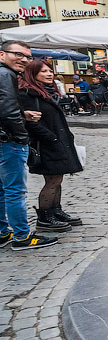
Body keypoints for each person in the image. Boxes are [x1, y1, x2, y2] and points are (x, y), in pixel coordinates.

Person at [0, 40, 58, 250]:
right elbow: (7, 110)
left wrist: (22, 114)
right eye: (18, 54)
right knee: (14, 190)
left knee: (3, 190)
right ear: (2, 54)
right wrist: (21, 136)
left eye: (27, 56)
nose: (23, 59)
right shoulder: (5, 75)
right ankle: (22, 236)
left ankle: (2, 232)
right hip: (9, 140)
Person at [17, 59, 84, 231]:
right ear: (33, 74)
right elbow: (30, 122)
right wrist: (51, 138)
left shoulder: (48, 91)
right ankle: (45, 217)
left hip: (58, 140)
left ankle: (56, 210)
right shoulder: (27, 93)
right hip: (46, 142)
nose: (49, 74)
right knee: (52, 180)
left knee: (58, 178)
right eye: (44, 71)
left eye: (50, 71)